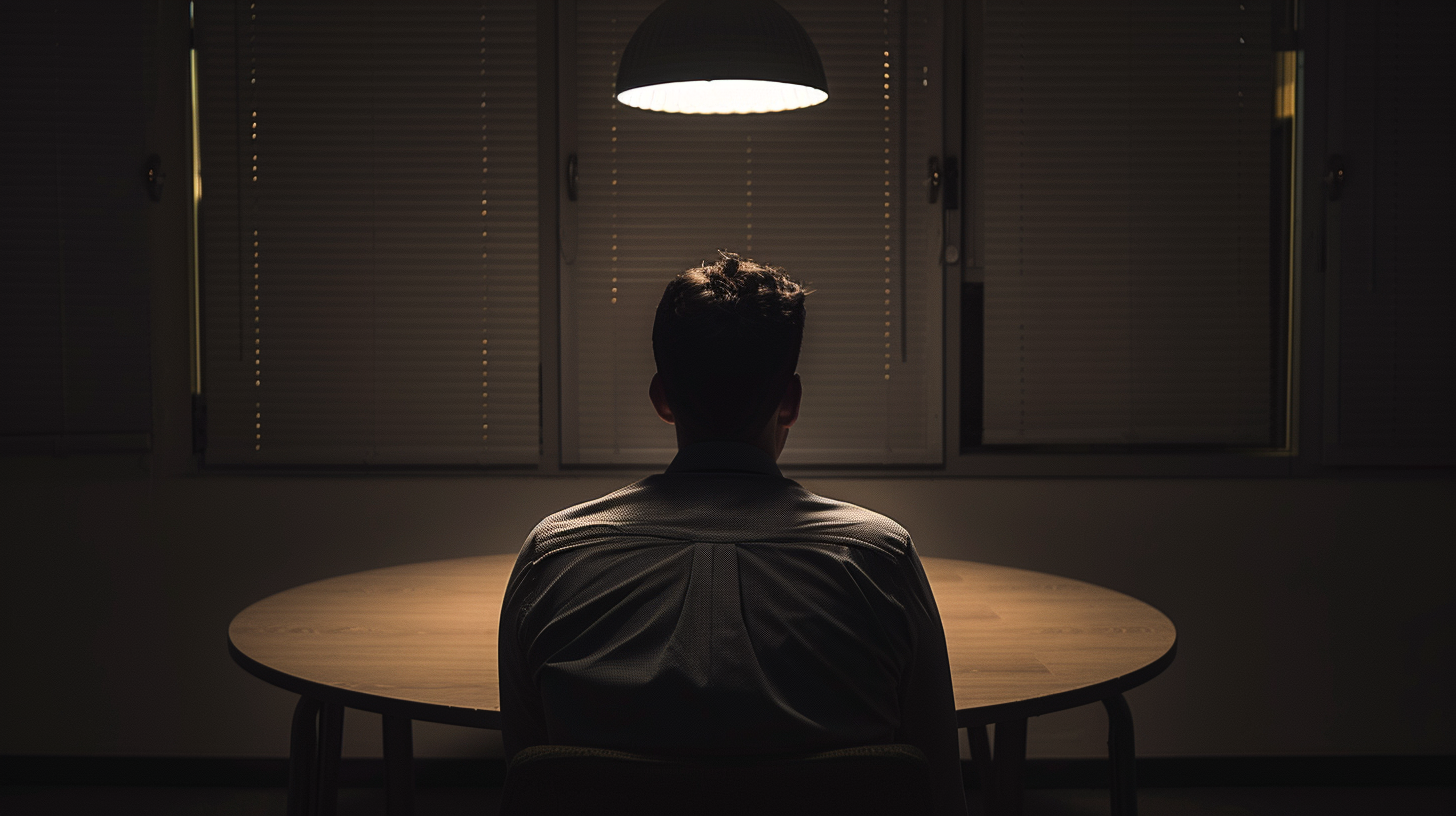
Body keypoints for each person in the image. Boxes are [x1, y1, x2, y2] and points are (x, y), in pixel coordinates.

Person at [498, 252, 966, 814]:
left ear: (661, 398)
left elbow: (527, 776)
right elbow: (937, 791)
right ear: (788, 402)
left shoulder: (553, 557)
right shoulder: (877, 560)